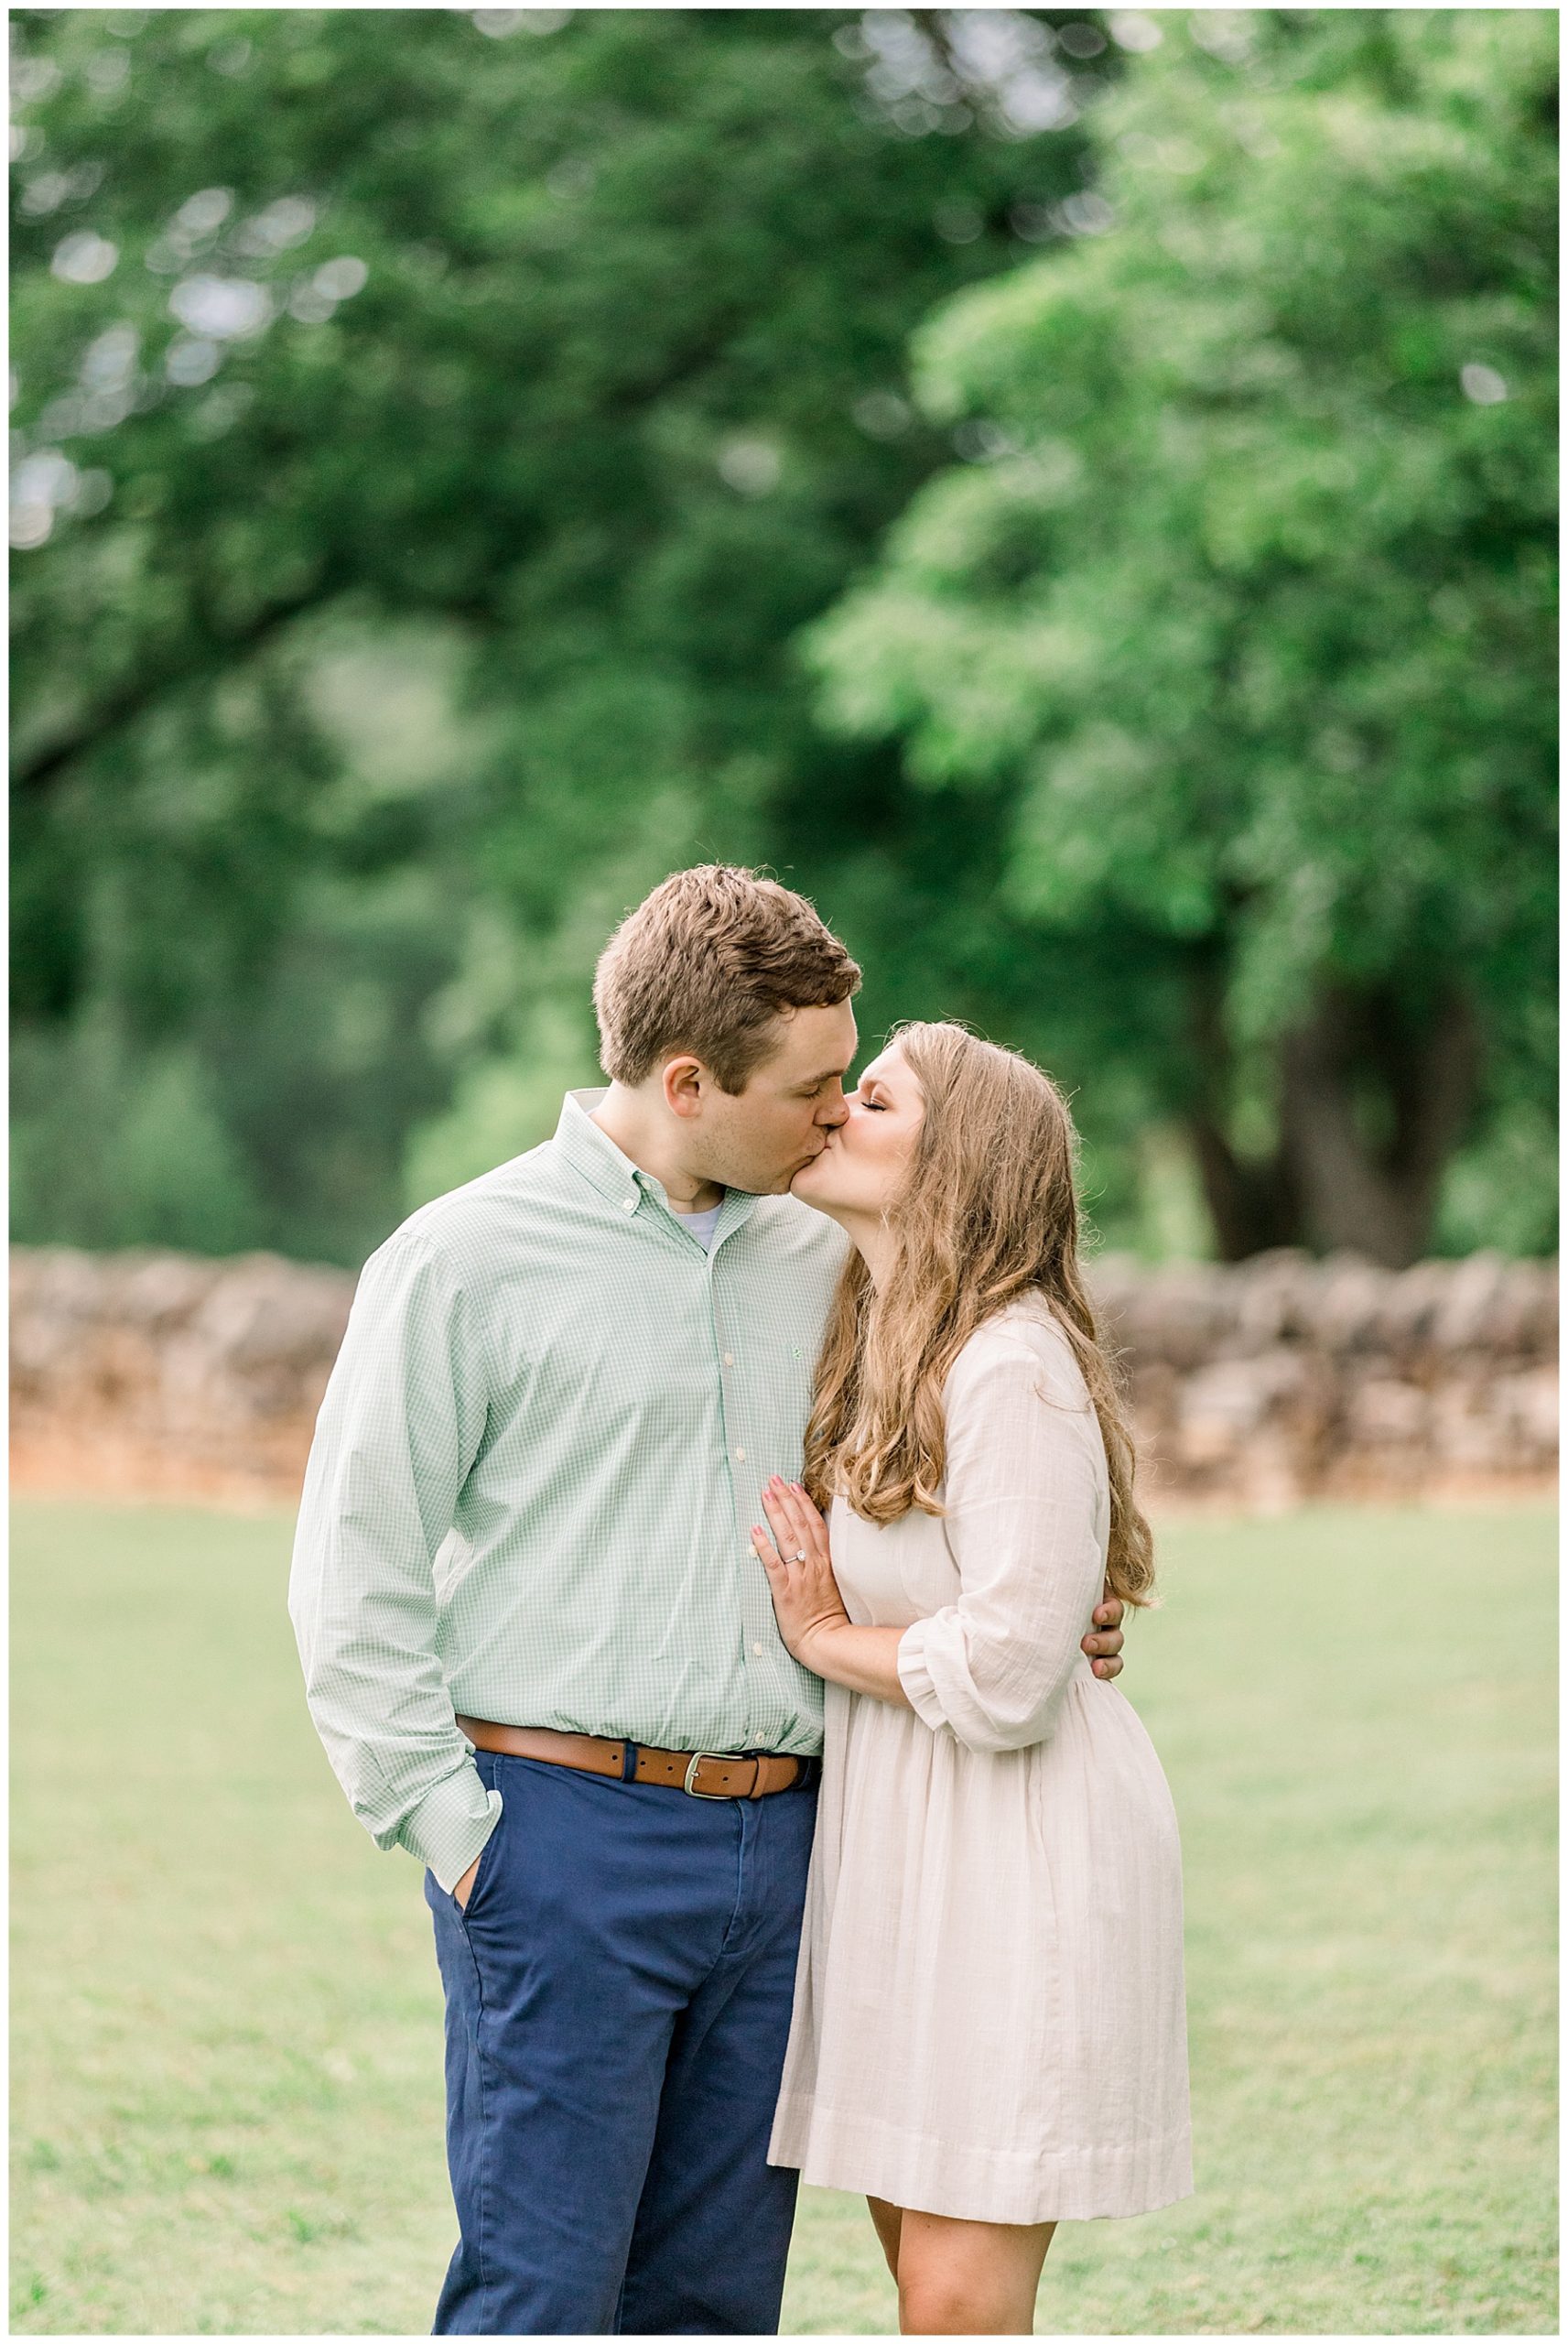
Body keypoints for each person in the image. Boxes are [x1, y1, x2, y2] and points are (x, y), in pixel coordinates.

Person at [287, 865, 1127, 2339]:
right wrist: (459, 1835)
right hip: (559, 1850)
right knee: (540, 2297)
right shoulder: (463, 1259)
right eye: (811, 1086)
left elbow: (968, 1478)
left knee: (715, 2305)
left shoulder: (837, 1253)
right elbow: (353, 1574)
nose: (833, 1111)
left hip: (804, 1850)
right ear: (687, 1081)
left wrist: (1051, 1614)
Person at [754, 1021, 1191, 2337]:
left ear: (957, 1165)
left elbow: (1010, 1673)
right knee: (917, 2283)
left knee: (953, 2303)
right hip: (903, 1851)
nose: (833, 1114)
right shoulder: (875, 1338)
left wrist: (826, 1639)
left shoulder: (1009, 1360)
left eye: (871, 1099)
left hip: (1015, 1855)